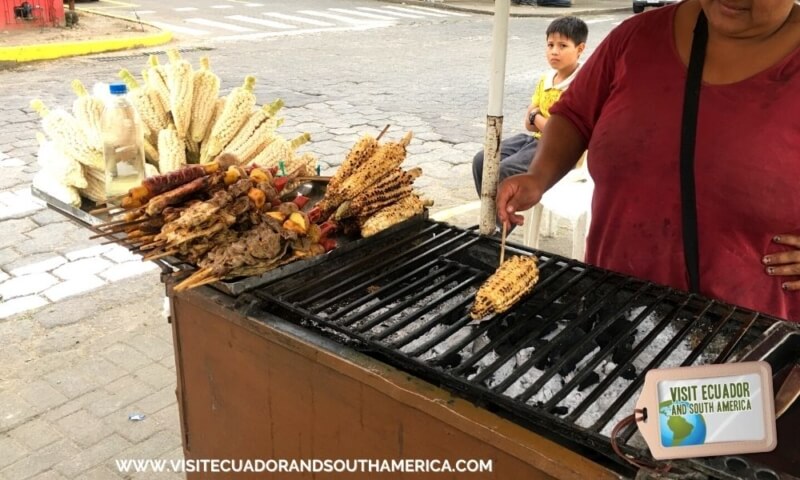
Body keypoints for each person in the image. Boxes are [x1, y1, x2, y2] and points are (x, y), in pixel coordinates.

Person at [496, 0, 800, 321]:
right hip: (613, 307)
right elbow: (575, 115)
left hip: (748, 334)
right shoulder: (634, 38)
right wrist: (539, 176)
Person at [472, 16, 587, 199]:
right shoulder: (546, 79)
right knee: (482, 160)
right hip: (534, 140)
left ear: (580, 49)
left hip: (562, 152)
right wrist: (537, 118)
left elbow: (558, 133)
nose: (554, 52)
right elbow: (529, 123)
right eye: (550, 45)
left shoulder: (582, 83)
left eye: (562, 46)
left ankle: (500, 223)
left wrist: (536, 116)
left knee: (506, 169)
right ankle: (491, 217)